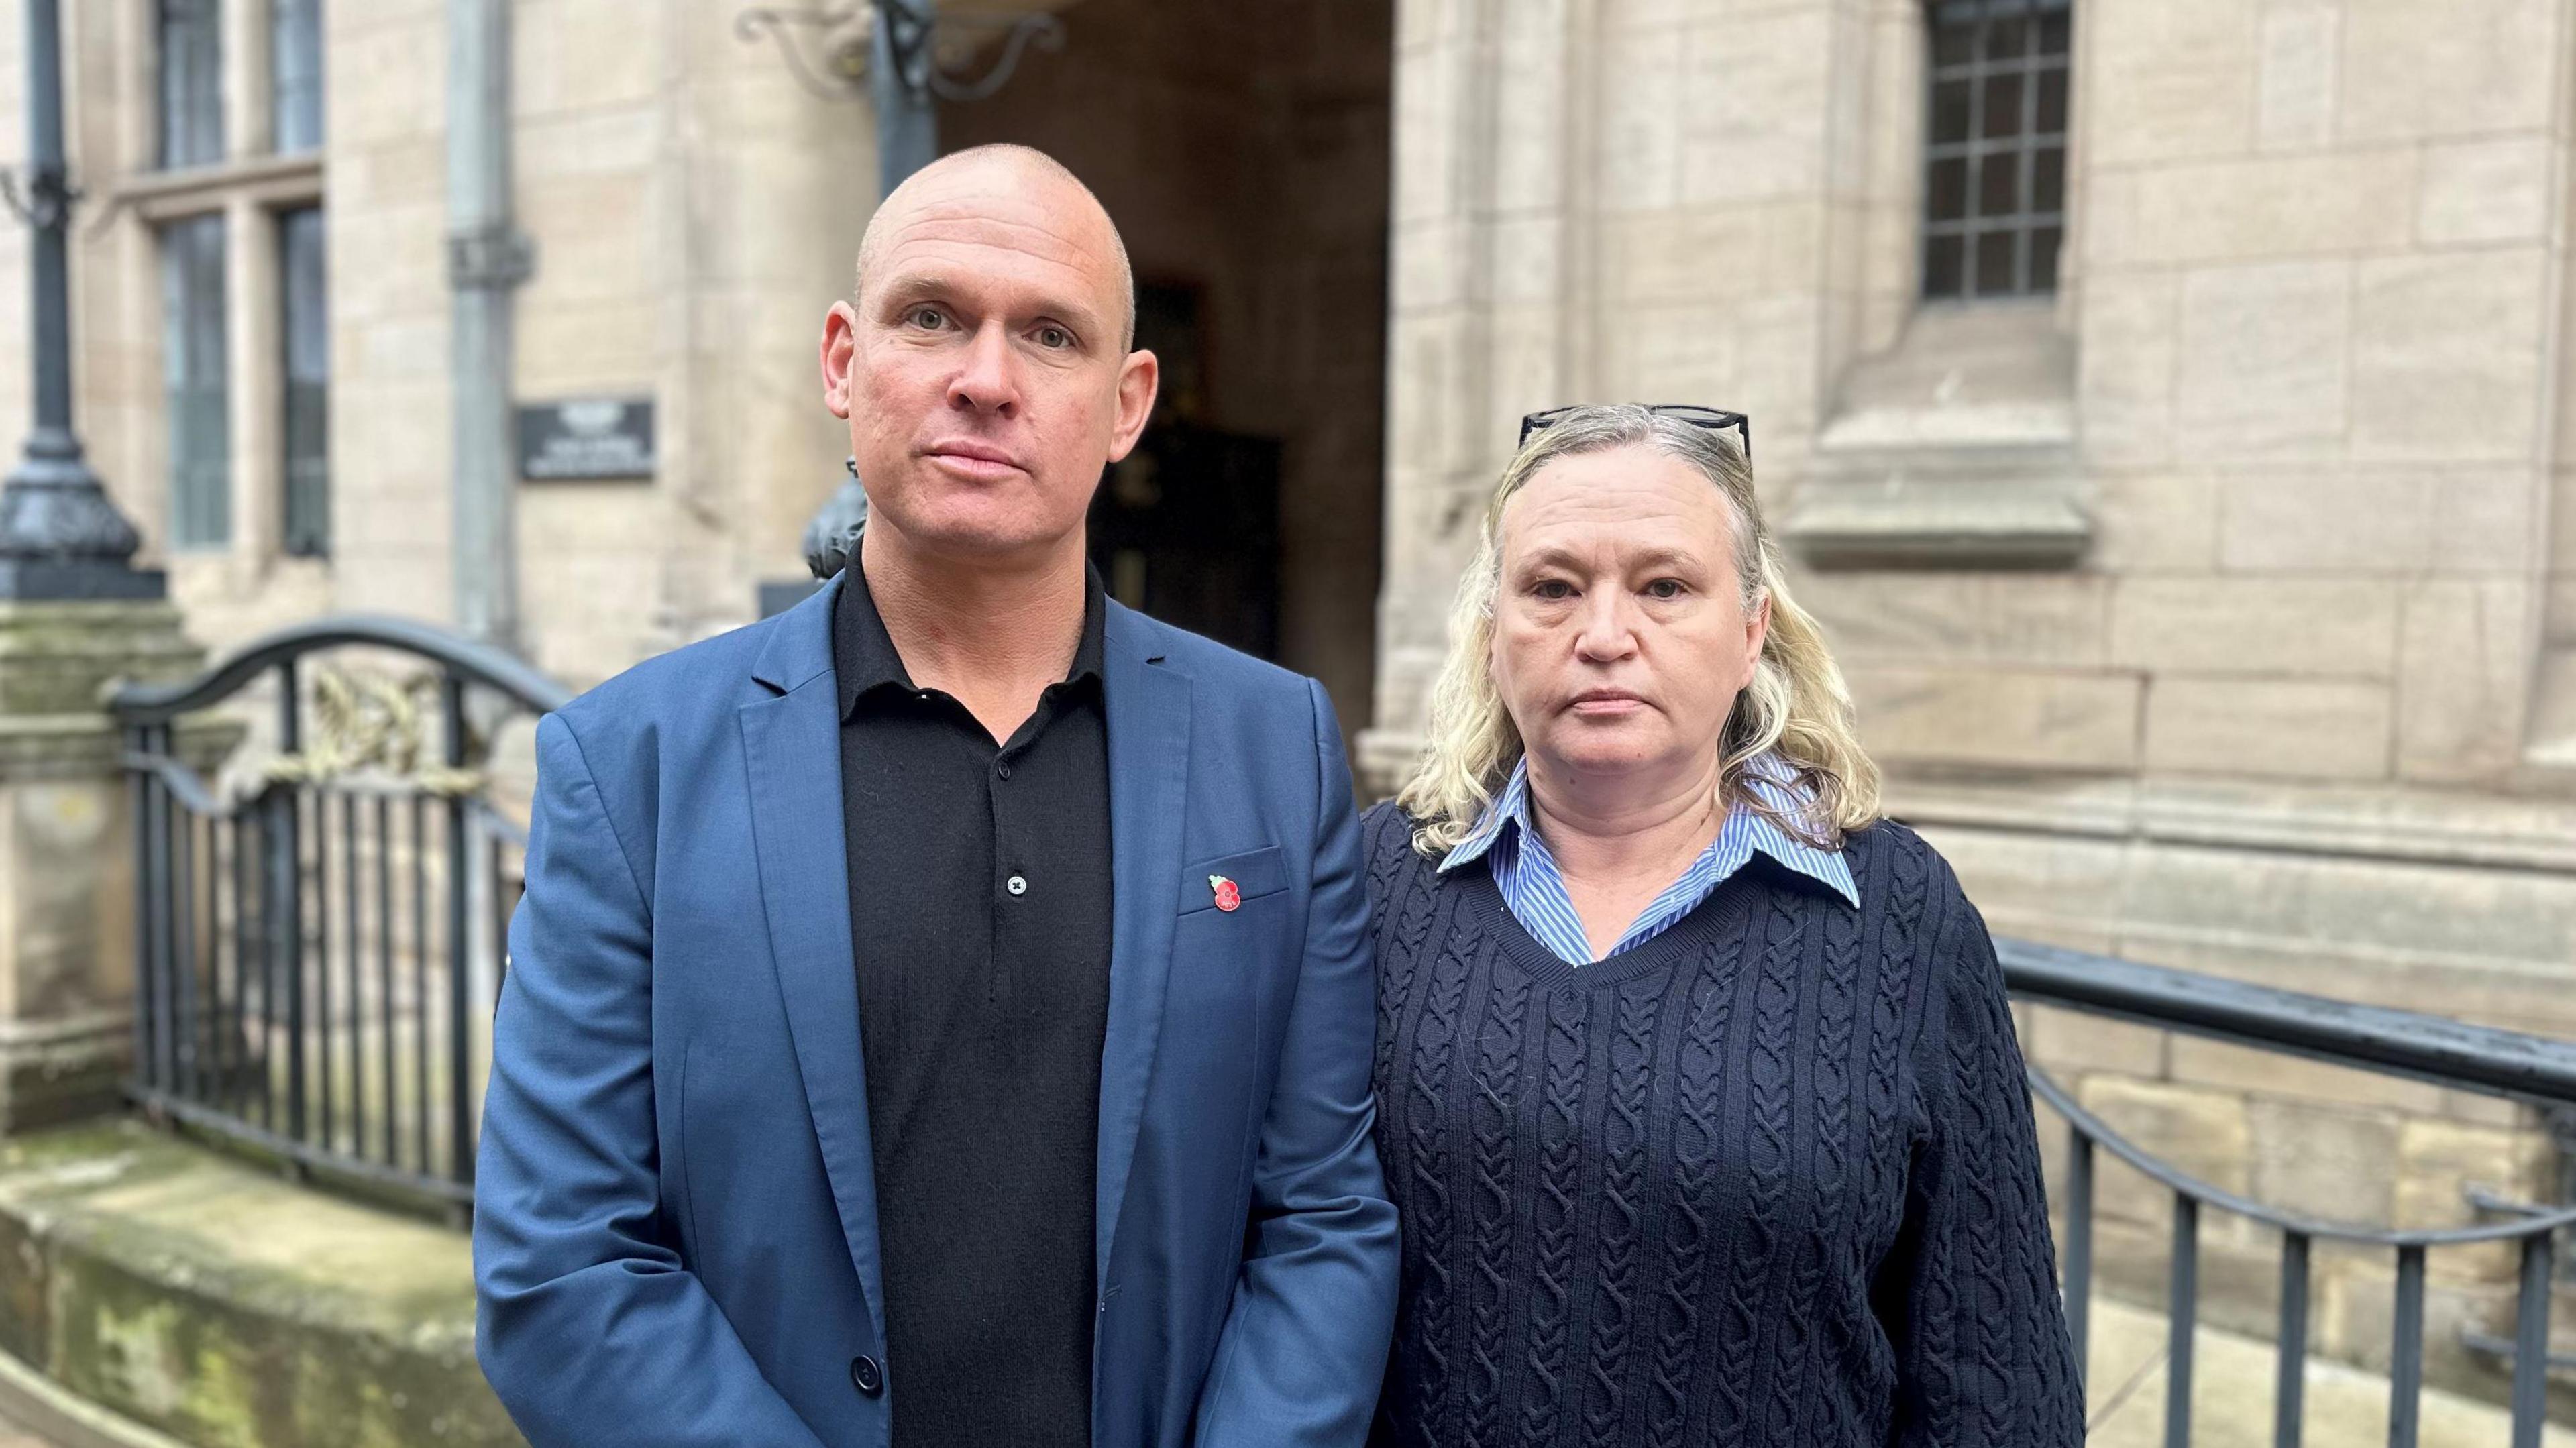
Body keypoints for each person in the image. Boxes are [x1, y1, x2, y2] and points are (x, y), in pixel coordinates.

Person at [474, 144, 1399, 1448]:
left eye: (1051, 335)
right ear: (845, 363)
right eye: (932, 317)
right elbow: (559, 1264)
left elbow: (1323, 1217)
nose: (985, 379)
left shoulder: (1276, 745)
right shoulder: (631, 766)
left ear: (1129, 402)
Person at [1362, 403, 2081, 1447]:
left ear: (1750, 634)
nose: (1604, 636)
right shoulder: (1384, 882)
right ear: (1493, 638)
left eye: (1664, 587)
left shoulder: (1899, 918)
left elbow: (1994, 1373)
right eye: (1553, 588)